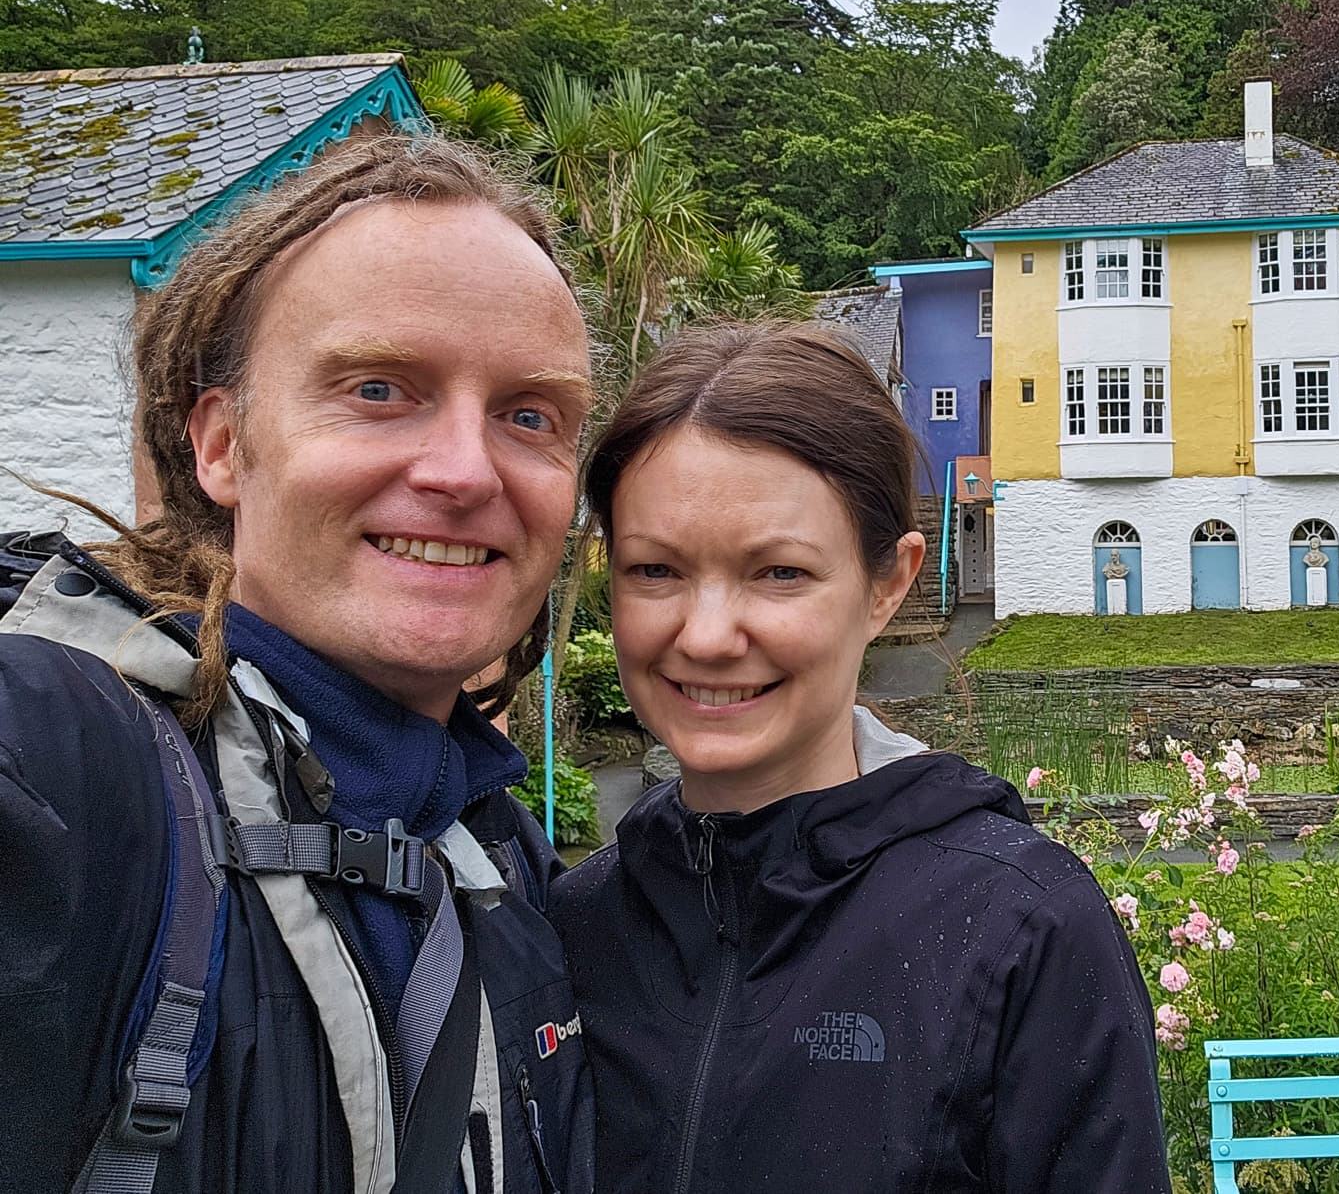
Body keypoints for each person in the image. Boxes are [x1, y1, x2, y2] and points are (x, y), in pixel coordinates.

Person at [0, 135, 596, 1193]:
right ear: (220, 446)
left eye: (528, 415)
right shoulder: (70, 762)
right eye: (378, 389)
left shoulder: (507, 868)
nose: (464, 470)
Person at [550, 323, 1172, 1194]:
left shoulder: (1021, 928)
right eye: (656, 571)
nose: (708, 635)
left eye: (779, 574)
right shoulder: (576, 923)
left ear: (888, 583)